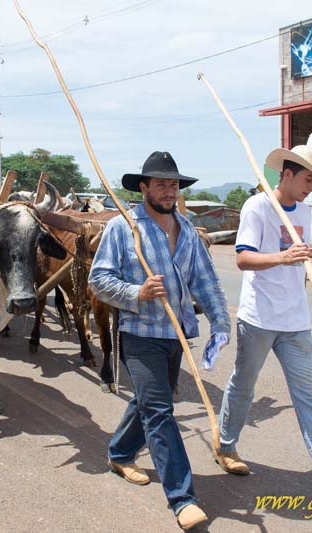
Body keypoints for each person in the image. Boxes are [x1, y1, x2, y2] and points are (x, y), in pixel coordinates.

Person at [215, 145, 312, 497]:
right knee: (243, 385)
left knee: (308, 397)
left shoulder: (305, 211)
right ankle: (226, 446)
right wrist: (284, 256)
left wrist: (302, 262)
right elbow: (243, 259)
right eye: (308, 179)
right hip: (259, 316)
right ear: (286, 174)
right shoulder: (257, 207)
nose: (311, 188)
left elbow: (295, 259)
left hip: (296, 320)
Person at [88, 151, 231, 530]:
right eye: (162, 184)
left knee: (150, 401)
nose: (169, 191)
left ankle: (120, 453)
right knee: (159, 411)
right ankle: (183, 498)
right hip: (140, 333)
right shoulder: (123, 228)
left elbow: (206, 280)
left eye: (174, 184)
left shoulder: (185, 229)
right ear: (144, 187)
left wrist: (220, 321)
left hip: (176, 333)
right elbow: (98, 281)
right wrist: (137, 292)